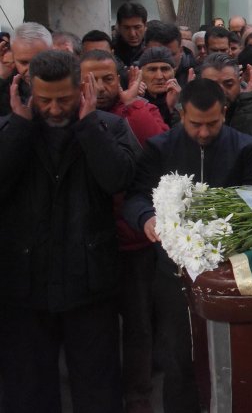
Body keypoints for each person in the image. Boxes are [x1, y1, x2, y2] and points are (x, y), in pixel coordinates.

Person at [0, 50, 140, 413]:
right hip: (25, 286)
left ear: (82, 89)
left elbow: (119, 179)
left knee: (98, 388)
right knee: (28, 390)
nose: (55, 109)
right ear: (29, 92)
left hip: (90, 283)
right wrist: (18, 127)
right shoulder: (12, 129)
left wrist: (90, 124)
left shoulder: (109, 127)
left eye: (64, 99)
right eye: (45, 100)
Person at [125, 79, 252, 413]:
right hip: (173, 273)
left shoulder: (246, 147)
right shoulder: (159, 147)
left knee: (234, 358)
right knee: (180, 359)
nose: (203, 133)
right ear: (181, 114)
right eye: (195, 124)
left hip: (230, 271)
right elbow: (136, 196)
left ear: (224, 114)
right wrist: (145, 218)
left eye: (212, 124)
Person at [80, 50, 167, 413]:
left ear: (123, 80)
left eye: (108, 80)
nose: (100, 88)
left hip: (133, 242)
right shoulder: (70, 120)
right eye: (91, 80)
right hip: (89, 244)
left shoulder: (140, 116)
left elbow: (158, 173)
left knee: (137, 326)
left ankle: (139, 396)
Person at [197, 52, 252, 145]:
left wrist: (249, 102)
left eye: (228, 84)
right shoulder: (192, 108)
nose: (221, 91)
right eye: (212, 85)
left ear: (239, 81)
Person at [0, 21, 52, 115]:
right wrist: (2, 78)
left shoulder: (68, 82)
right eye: (24, 62)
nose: (31, 69)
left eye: (39, 61)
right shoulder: (8, 83)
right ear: (13, 58)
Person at [137, 46, 181, 126]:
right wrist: (137, 102)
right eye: (152, 70)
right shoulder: (132, 100)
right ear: (141, 74)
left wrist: (176, 107)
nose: (159, 76)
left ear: (174, 72)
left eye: (165, 69)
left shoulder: (185, 101)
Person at [114, 2, 148, 67]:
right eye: (126, 28)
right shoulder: (111, 51)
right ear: (119, 27)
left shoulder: (153, 50)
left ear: (145, 26)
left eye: (137, 27)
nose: (132, 34)